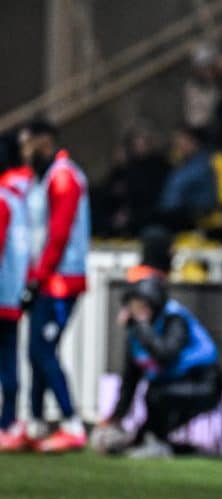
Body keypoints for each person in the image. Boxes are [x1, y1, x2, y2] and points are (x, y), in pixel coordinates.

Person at [18, 120, 90, 453]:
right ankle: (34, 422)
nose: (24, 152)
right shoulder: (45, 177)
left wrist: (38, 277)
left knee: (42, 351)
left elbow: (58, 234)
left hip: (60, 281)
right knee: (36, 352)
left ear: (44, 141)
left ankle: (72, 423)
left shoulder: (63, 178)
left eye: (28, 144)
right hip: (48, 278)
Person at [98, 277, 222, 458]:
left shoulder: (174, 319)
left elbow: (166, 355)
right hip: (170, 386)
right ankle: (158, 442)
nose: (134, 310)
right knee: (141, 431)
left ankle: (158, 441)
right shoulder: (137, 334)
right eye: (132, 305)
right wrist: (115, 417)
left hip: (204, 384)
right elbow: (130, 381)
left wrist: (142, 327)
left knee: (155, 395)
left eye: (140, 305)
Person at [0, 159, 30, 450]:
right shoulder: (19, 198)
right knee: (9, 362)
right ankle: (8, 423)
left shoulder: (2, 199)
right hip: (12, 295)